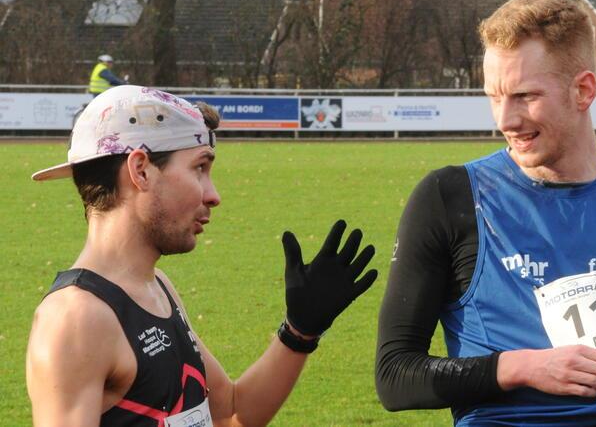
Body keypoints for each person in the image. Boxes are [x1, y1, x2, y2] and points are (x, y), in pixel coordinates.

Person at [375, 0, 596, 427]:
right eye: (495, 97)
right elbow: (395, 375)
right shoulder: (449, 198)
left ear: (583, 90)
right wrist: (521, 368)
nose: (505, 120)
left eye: (524, 95)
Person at [26, 85, 378, 426]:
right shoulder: (75, 319)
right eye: (200, 168)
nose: (213, 195)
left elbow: (231, 414)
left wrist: (300, 330)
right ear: (141, 170)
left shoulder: (157, 287)